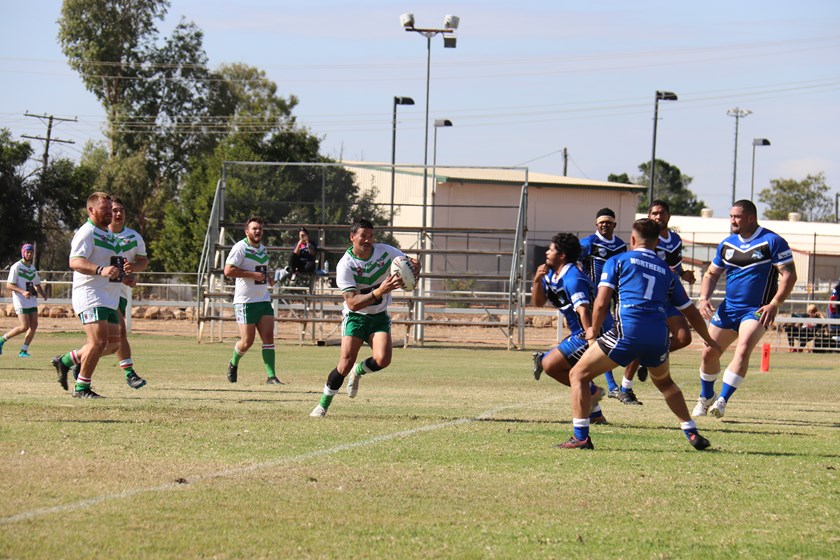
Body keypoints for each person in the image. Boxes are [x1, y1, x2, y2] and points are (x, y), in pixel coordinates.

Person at [559, 218, 721, 450]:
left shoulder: (618, 260)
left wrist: (593, 330)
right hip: (658, 336)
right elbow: (691, 313)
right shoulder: (667, 271)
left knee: (578, 375)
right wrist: (709, 339)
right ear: (656, 243)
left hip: (628, 332)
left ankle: (581, 436)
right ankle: (691, 430)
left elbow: (602, 301)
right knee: (665, 383)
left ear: (632, 240)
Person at [693, 200, 796, 418]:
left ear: (751, 217)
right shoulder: (727, 244)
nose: (732, 221)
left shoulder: (772, 241)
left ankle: (722, 400)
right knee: (708, 352)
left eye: (737, 217)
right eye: (731, 216)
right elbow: (711, 274)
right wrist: (703, 298)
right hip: (729, 308)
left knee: (744, 347)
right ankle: (706, 397)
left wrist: (775, 304)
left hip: (757, 310)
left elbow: (789, 275)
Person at [310, 217, 419, 417]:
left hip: (378, 316)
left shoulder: (386, 252)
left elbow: (408, 262)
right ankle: (323, 405)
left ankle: (359, 371)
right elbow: (352, 302)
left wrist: (414, 267)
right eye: (363, 236)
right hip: (356, 317)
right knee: (344, 364)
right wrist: (379, 291)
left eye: (371, 236)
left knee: (383, 359)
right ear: (352, 237)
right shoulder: (346, 265)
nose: (368, 240)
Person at [51, 192, 132, 398]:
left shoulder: (110, 236)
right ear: (91, 210)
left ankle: (67, 361)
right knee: (97, 342)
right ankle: (82, 388)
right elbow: (75, 262)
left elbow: (113, 266)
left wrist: (124, 275)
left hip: (109, 296)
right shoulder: (87, 232)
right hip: (91, 295)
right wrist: (100, 270)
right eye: (105, 209)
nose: (110, 213)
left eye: (111, 209)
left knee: (113, 344)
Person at [618, 199, 694, 405]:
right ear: (649, 216)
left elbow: (675, 267)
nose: (658, 217)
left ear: (668, 216)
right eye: (654, 213)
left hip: (669, 296)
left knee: (684, 338)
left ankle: (648, 357)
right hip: (649, 299)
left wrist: (684, 274)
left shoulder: (676, 240)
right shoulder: (645, 238)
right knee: (641, 341)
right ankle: (625, 388)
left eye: (661, 213)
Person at [531, 233, 609, 425]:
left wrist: (592, 343)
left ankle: (592, 392)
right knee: (558, 367)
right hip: (580, 332)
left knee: (549, 364)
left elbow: (584, 312)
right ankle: (595, 413)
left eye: (551, 249)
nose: (547, 253)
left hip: (593, 331)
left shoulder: (573, 278)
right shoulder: (549, 274)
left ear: (562, 255)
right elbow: (538, 302)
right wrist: (536, 281)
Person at [224, 216, 283, 385]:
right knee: (247, 342)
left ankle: (271, 377)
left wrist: (270, 278)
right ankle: (234, 362)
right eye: (254, 228)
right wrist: (252, 275)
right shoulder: (240, 248)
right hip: (245, 302)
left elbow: (261, 270)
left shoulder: (263, 249)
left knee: (268, 338)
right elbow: (228, 271)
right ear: (247, 231)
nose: (257, 231)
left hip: (263, 300)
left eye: (260, 229)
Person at [578, 208, 626, 399]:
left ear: (614, 224)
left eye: (608, 221)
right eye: (601, 222)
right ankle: (613, 386)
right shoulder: (589, 243)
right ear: (596, 224)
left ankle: (547, 358)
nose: (605, 224)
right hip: (594, 301)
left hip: (613, 299)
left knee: (592, 341)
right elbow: (573, 261)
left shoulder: (621, 246)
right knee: (602, 341)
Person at [108, 197, 149, 388]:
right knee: (119, 332)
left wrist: (132, 268)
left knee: (108, 341)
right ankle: (130, 374)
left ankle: (73, 361)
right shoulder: (98, 235)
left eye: (121, 210)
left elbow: (143, 261)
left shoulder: (133, 237)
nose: (118, 214)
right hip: (100, 291)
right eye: (114, 210)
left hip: (121, 292)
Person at [0, 243, 47, 357]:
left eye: (31, 252)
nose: (29, 254)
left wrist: (43, 294)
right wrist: (22, 291)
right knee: (24, 326)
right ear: (23, 253)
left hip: (31, 300)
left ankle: (24, 351)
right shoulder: (16, 267)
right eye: (27, 252)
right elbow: (9, 285)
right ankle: (2, 340)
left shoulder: (32, 268)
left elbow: (37, 284)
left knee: (34, 325)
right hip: (20, 300)